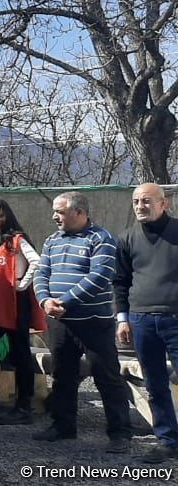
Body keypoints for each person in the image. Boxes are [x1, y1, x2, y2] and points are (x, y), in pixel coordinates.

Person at [32, 191, 132, 452]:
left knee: (106, 376)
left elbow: (99, 276)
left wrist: (65, 302)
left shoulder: (101, 239)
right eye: (54, 212)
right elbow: (41, 273)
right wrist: (45, 301)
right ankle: (63, 425)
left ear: (79, 212)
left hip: (93, 322)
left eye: (60, 212)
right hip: (60, 322)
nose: (55, 217)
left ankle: (120, 433)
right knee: (62, 375)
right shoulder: (52, 240)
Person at [114, 184, 178, 463]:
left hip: (175, 318)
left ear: (164, 204)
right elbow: (120, 282)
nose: (140, 206)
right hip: (141, 321)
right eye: (136, 201)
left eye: (147, 201)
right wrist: (123, 319)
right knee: (154, 384)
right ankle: (167, 440)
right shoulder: (127, 238)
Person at [0, 199, 46, 425]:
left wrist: (21, 284)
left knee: (20, 353)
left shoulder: (17, 239)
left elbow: (37, 262)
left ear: (7, 216)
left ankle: (24, 406)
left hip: (15, 303)